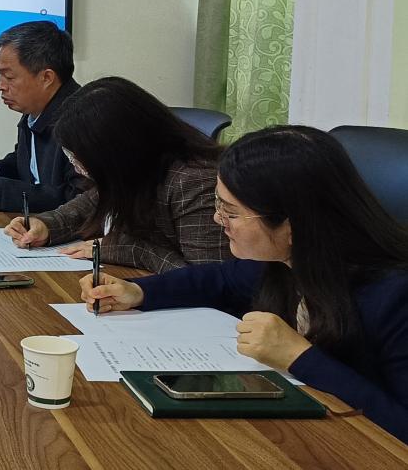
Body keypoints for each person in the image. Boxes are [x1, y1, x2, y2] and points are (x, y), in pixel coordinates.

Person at [81, 126, 408, 444]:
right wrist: (139, 292)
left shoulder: (394, 295)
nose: (217, 219)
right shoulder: (286, 261)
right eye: (219, 204)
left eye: (231, 212)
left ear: (292, 226)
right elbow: (220, 280)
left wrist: (300, 357)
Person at [5, 76, 229, 272]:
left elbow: (207, 280)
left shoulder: (195, 181)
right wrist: (47, 225)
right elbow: (93, 201)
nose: (76, 168)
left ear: (116, 151)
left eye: (79, 158)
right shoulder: (140, 166)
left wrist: (128, 249)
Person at [0, 21, 82, 212]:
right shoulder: (34, 112)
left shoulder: (83, 121)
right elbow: (27, 167)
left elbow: (77, 201)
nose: (0, 86)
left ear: (46, 78)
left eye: (9, 77)